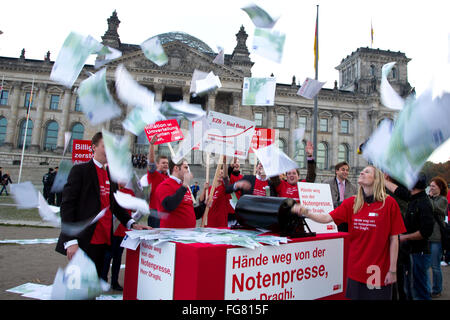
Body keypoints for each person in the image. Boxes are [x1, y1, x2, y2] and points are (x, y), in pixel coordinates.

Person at [291, 165, 406, 300]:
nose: (362, 172)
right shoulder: (352, 202)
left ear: (376, 179)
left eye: (367, 171)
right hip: (355, 270)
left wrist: (392, 270)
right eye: (362, 171)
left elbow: (394, 239)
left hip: (376, 271)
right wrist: (306, 212)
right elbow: (326, 218)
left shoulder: (389, 204)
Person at [55, 132, 150, 277]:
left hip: (103, 241)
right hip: (84, 241)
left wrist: (132, 223)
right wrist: (70, 241)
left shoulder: (110, 175)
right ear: (93, 147)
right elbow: (67, 206)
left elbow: (114, 205)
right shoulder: (80, 170)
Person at [399, 173, 434, 300]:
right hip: (412, 251)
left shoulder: (424, 203)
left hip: (419, 253)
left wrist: (404, 237)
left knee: (419, 289)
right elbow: (398, 191)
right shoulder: (414, 198)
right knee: (411, 287)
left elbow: (425, 232)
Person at [101, 180, 135, 291]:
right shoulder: (112, 190)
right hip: (111, 229)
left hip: (122, 229)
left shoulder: (129, 192)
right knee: (107, 256)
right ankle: (103, 280)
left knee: (118, 256)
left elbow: (134, 208)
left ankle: (114, 281)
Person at [155, 158, 205, 228]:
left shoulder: (184, 187)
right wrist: (184, 186)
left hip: (187, 234)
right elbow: (169, 205)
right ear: (176, 168)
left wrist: (204, 205)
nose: (188, 171)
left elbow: (190, 212)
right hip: (172, 235)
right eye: (185, 167)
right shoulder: (165, 185)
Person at [384, 175, 411, 301]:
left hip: (398, 235)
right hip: (387, 234)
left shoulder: (402, 189)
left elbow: (402, 194)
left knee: (398, 273)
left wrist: (382, 181)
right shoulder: (385, 188)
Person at [427, 176, 448, 298]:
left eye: (433, 186)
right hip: (427, 237)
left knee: (435, 266)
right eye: (430, 185)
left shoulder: (443, 200)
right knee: (426, 266)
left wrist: (428, 197)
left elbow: (434, 208)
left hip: (436, 238)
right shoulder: (431, 198)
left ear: (439, 188)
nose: (431, 188)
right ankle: (428, 288)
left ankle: (437, 289)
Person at [323, 161, 358, 232]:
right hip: (331, 218)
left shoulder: (353, 187)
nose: (345, 172)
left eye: (347, 170)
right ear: (336, 171)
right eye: (343, 169)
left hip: (346, 221)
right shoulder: (326, 184)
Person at [146, 134, 169, 228]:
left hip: (165, 212)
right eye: (163, 163)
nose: (166, 165)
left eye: (167, 163)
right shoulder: (154, 175)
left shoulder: (169, 178)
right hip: (155, 212)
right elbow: (151, 161)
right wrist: (152, 144)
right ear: (157, 164)